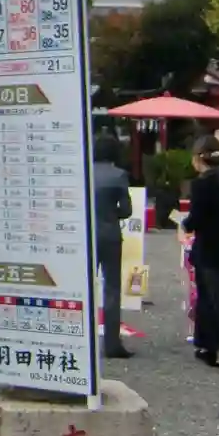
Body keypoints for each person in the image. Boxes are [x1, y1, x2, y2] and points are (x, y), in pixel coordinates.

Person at [182, 134, 219, 368]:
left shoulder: (202, 183)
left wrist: (184, 224)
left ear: (198, 158)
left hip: (209, 246)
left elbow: (197, 217)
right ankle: (212, 345)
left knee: (212, 299)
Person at [92, 131, 135, 359]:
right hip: (109, 235)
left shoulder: (83, 172)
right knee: (111, 289)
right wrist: (111, 214)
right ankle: (111, 344)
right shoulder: (119, 175)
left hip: (86, 237)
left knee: (84, 287)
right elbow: (126, 210)